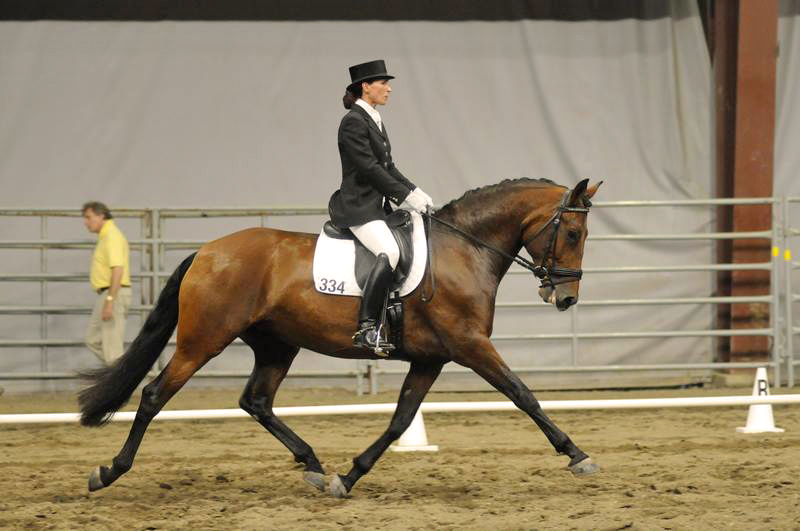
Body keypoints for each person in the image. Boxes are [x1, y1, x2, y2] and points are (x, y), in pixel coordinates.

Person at [328, 59, 434, 352]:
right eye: (383, 83)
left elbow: (388, 166)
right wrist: (404, 197)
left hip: (376, 207)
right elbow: (369, 168)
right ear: (366, 87)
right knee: (389, 251)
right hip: (358, 207)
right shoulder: (352, 122)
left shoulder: (374, 119)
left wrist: (415, 191)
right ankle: (366, 328)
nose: (388, 89)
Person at [82, 201, 132, 365]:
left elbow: (118, 269)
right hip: (108, 293)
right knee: (93, 339)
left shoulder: (112, 236)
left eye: (89, 217)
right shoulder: (106, 236)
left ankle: (121, 382)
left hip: (113, 293)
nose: (86, 222)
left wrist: (110, 300)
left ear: (101, 215)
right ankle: (120, 375)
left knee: (112, 349)